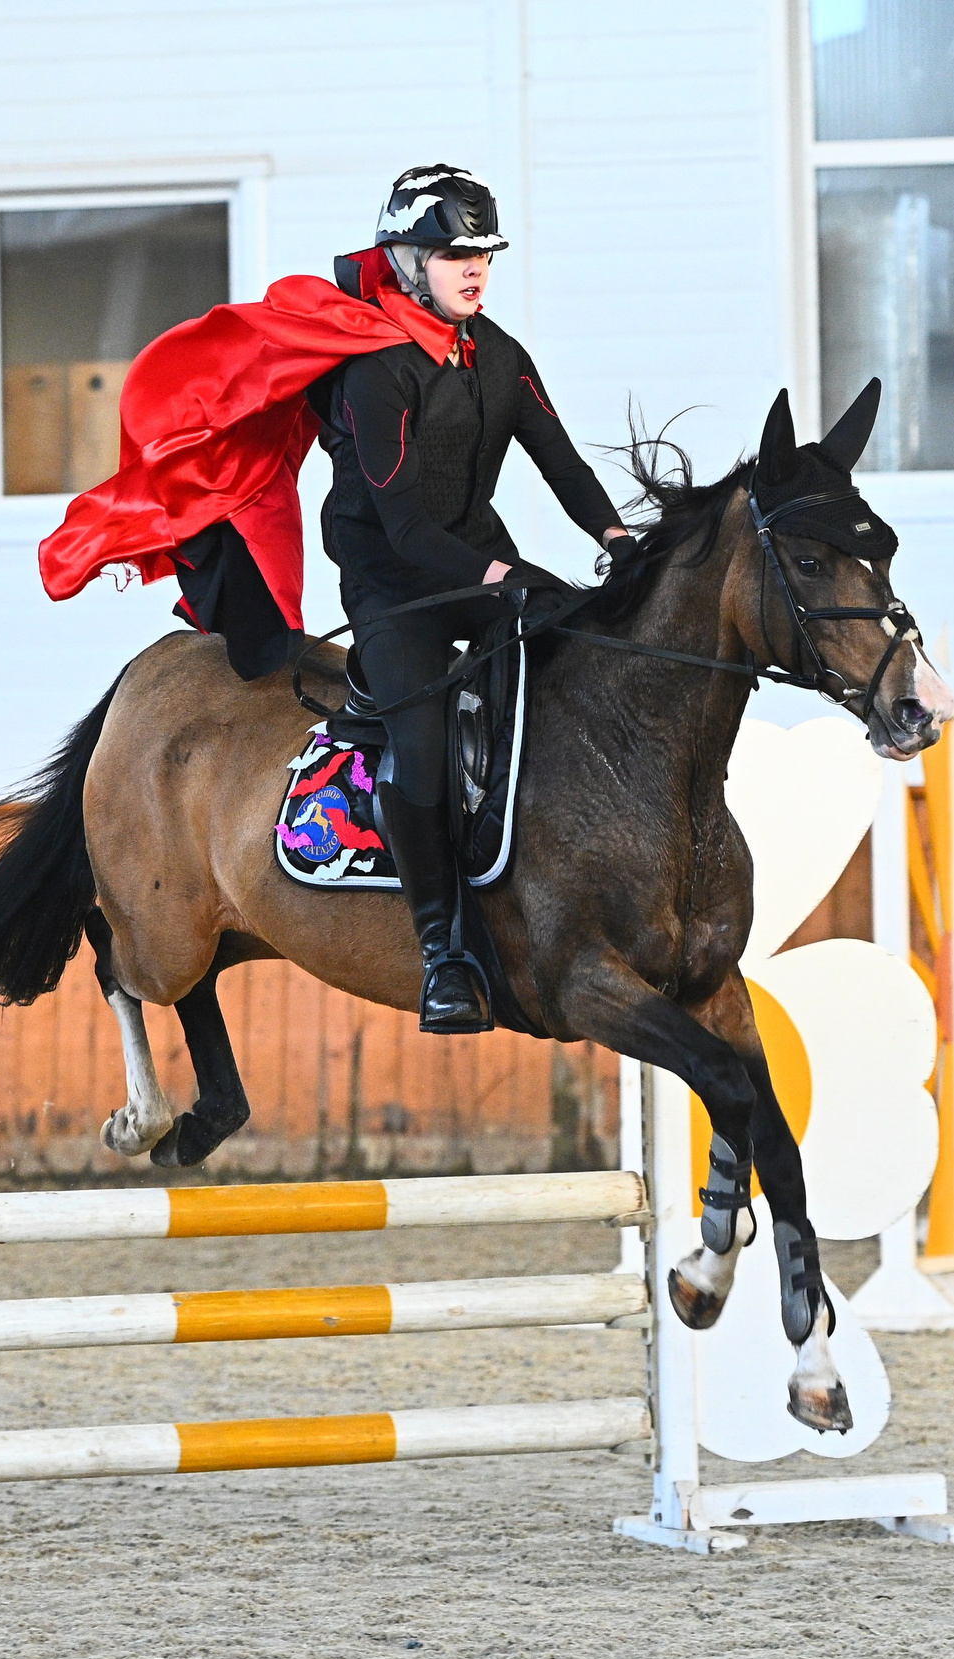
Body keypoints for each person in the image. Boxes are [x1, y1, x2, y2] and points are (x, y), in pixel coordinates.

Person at [308, 165, 637, 1034]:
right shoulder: (376, 372)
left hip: (478, 559)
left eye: (483, 252)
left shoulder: (499, 355)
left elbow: (560, 462)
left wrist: (617, 541)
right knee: (420, 741)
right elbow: (405, 526)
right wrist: (502, 580)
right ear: (409, 261)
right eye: (455, 252)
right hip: (393, 584)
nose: (475, 267)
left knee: (576, 657)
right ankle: (443, 953)